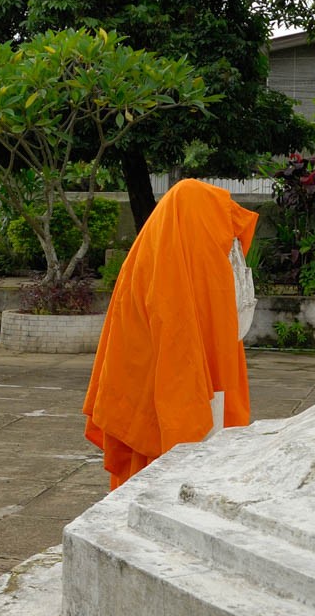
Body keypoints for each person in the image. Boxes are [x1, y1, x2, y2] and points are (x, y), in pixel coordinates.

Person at [83, 179, 258, 489]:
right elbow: (184, 355)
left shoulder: (163, 253)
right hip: (159, 400)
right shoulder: (172, 268)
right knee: (161, 477)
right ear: (200, 221)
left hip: (147, 396)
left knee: (146, 474)